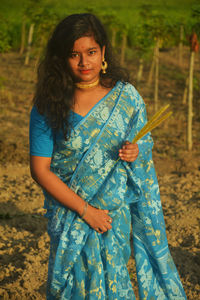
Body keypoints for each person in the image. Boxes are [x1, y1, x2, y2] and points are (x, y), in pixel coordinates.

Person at [29, 13, 187, 300]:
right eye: (73, 54)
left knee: (114, 284)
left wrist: (135, 152)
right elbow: (40, 170)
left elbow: (144, 144)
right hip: (70, 216)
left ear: (103, 52)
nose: (84, 62)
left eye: (91, 52)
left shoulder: (126, 98)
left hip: (113, 216)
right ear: (61, 59)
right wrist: (85, 211)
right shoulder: (48, 105)